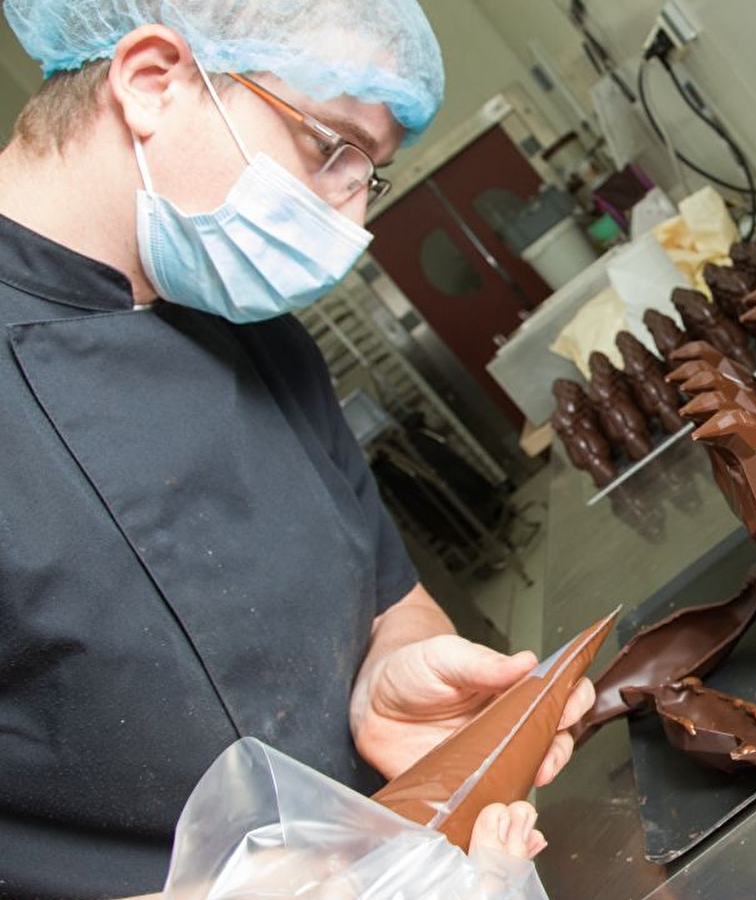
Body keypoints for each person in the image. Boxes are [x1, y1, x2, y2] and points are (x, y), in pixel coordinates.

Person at [0, 3, 593, 897]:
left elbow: (396, 601)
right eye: (331, 151)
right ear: (154, 81)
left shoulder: (264, 340)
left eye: (371, 176)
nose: (351, 221)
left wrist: (395, 672)